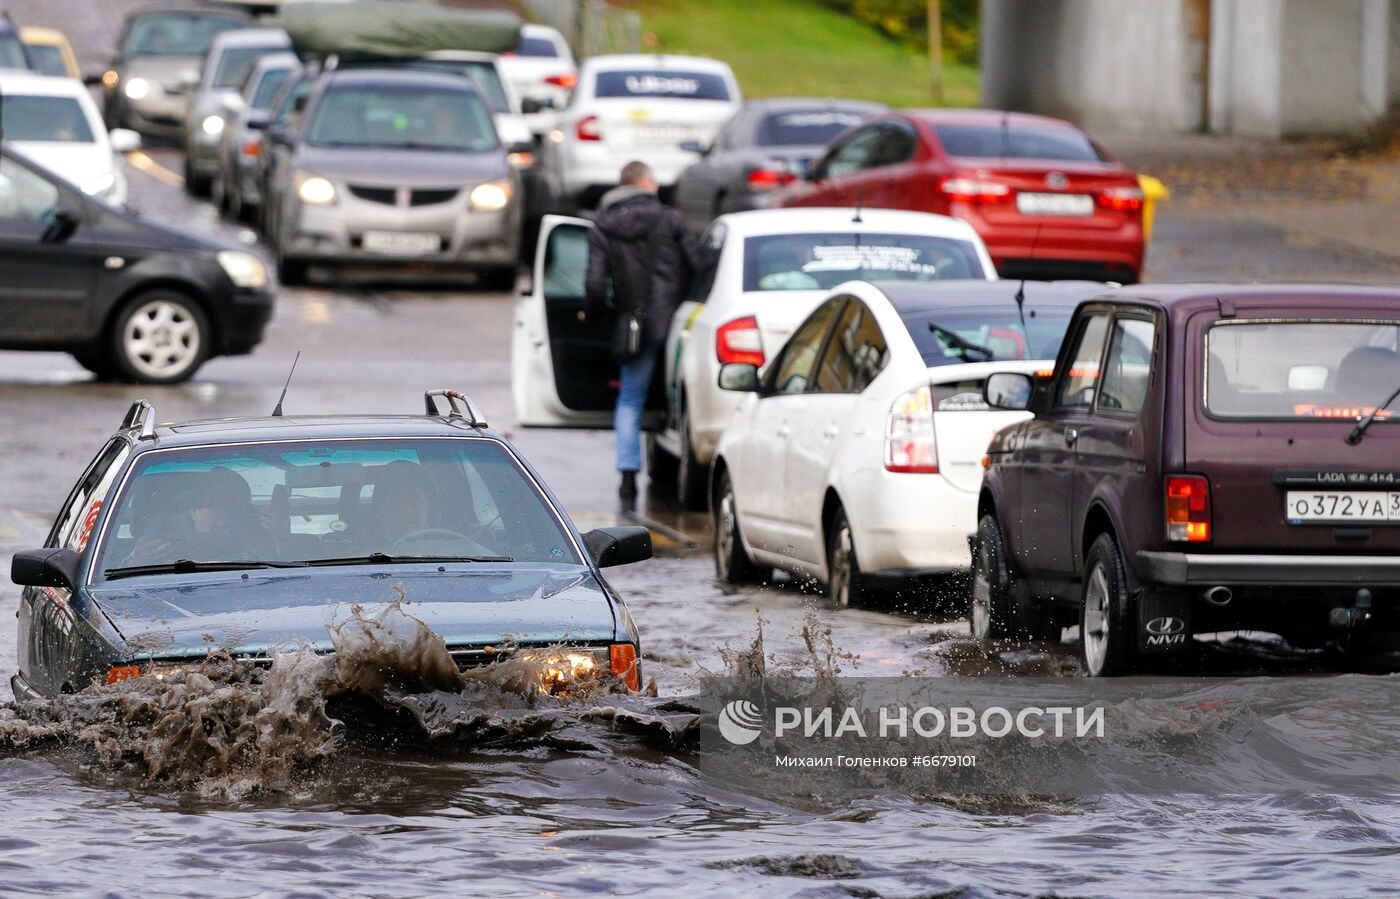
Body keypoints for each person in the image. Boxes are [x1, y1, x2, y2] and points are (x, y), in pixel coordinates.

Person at [585, 161, 701, 504]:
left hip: (633, 325)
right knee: (684, 394)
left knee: (630, 398)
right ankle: (685, 466)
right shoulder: (671, 218)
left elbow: (594, 282)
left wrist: (591, 315)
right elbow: (697, 263)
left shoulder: (602, 226)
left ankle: (627, 477)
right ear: (647, 183)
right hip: (678, 321)